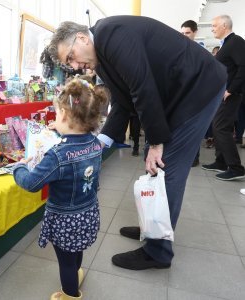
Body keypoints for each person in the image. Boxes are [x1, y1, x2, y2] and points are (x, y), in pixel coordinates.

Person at [47, 16, 226, 270]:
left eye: (71, 57)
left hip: (199, 88)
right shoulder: (102, 53)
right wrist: (101, 143)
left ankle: (158, 252)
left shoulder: (112, 34)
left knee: (166, 166)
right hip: (179, 92)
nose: (75, 66)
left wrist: (155, 142)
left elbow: (143, 86)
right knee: (152, 163)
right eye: (70, 64)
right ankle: (150, 226)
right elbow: (123, 99)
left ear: (82, 38)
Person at [13, 78, 108, 299]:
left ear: (64, 115)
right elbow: (77, 145)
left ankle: (69, 293)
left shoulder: (57, 155)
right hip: (88, 212)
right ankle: (76, 274)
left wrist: (18, 167)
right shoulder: (95, 143)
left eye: (57, 115)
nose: (55, 119)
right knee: (77, 250)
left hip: (65, 219)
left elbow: (31, 183)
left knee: (65, 260)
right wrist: (61, 130)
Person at [202, 15, 245, 180]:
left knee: (221, 128)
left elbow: (243, 66)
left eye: (214, 25)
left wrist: (231, 90)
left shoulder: (236, 42)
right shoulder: (227, 44)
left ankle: (236, 168)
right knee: (216, 126)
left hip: (230, 95)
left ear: (225, 25)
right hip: (222, 94)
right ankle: (220, 161)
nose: (212, 28)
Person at [181, 20, 200, 166]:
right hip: (181, 94)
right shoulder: (179, 50)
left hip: (195, 94)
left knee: (194, 128)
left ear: (195, 33)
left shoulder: (200, 52)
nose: (184, 36)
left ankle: (194, 157)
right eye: (182, 33)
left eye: (187, 33)